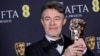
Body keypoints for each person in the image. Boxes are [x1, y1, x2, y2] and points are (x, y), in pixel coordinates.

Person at [25, 1, 94, 56]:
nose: (52, 23)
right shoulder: (32, 51)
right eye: (47, 19)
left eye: (57, 19)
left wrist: (84, 50)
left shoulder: (74, 43)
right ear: (42, 22)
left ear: (64, 21)